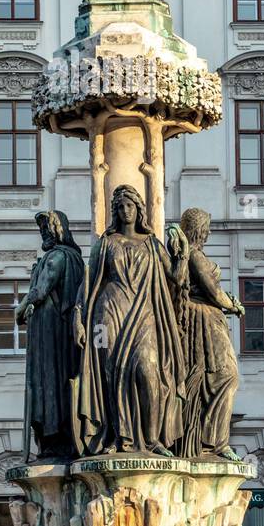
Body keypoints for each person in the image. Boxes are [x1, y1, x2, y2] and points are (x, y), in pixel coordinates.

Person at [72, 184, 186, 456]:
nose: (125, 211)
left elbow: (177, 277)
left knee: (148, 370)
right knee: (112, 374)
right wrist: (78, 317)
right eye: (120, 207)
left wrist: (183, 253)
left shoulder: (152, 244)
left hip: (145, 312)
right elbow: (89, 284)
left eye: (130, 206)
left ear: (139, 209)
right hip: (108, 313)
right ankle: (119, 437)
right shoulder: (106, 243)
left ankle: (152, 439)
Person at [169, 208, 243, 460]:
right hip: (202, 319)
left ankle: (208, 440)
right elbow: (212, 291)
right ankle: (214, 442)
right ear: (198, 228)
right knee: (226, 376)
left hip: (203, 317)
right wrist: (233, 304)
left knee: (210, 379)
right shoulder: (194, 256)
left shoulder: (190, 254)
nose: (209, 232)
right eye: (207, 227)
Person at [16, 210, 84, 459]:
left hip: (50, 332)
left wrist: (20, 309)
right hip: (58, 333)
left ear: (58, 230)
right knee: (53, 382)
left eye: (47, 228)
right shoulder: (75, 259)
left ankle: (52, 435)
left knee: (47, 381)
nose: (44, 232)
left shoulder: (57, 258)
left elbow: (40, 290)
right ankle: (59, 435)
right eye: (41, 228)